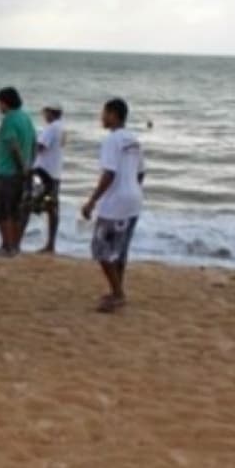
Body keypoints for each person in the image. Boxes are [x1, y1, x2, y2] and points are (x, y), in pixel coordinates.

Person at [81, 98, 146, 313]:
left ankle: (118, 294)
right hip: (133, 200)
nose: (102, 117)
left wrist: (92, 201)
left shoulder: (112, 140)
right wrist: (132, 189)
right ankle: (117, 289)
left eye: (104, 113)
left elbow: (109, 173)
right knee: (119, 251)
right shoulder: (134, 140)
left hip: (115, 203)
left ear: (114, 115)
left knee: (100, 249)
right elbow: (141, 172)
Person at [0, 87, 36, 257]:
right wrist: (29, 166)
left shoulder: (9, 120)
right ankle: (15, 246)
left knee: (3, 212)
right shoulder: (26, 118)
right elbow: (33, 144)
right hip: (23, 172)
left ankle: (7, 247)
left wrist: (21, 166)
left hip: (7, 172)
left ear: (5, 102)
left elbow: (13, 145)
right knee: (17, 211)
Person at [32, 102, 66, 253]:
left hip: (44, 171)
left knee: (29, 204)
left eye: (45, 112)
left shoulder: (51, 128)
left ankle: (15, 241)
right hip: (55, 172)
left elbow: (40, 147)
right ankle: (51, 243)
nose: (44, 116)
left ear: (51, 113)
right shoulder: (62, 128)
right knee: (52, 208)